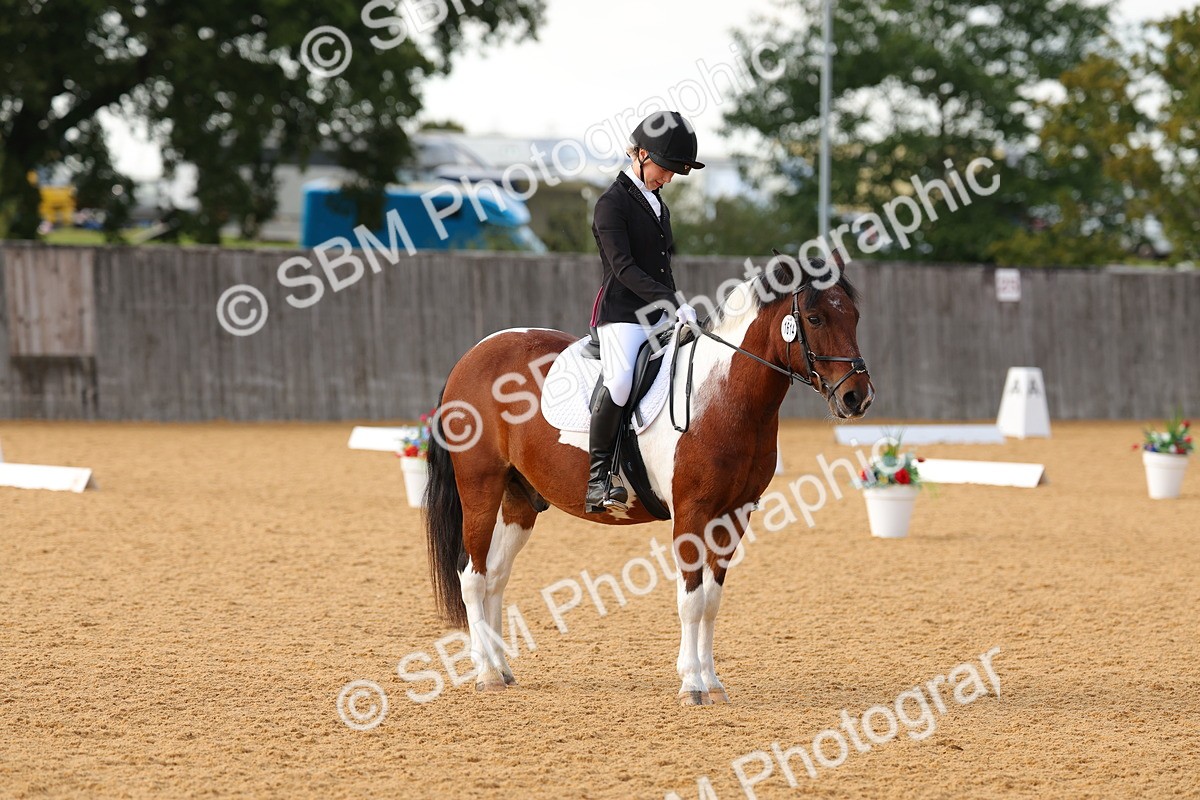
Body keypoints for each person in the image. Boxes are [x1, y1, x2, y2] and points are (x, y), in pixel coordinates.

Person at [585, 110, 705, 514]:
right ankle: (598, 478)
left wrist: (676, 305)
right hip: (622, 315)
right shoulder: (611, 204)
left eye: (673, 173)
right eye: (665, 169)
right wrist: (672, 301)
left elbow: (662, 267)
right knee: (620, 382)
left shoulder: (658, 205)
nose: (667, 178)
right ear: (640, 154)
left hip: (659, 313)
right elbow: (624, 268)